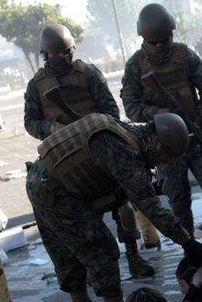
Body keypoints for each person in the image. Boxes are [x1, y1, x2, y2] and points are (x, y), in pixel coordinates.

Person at [26, 111, 202, 302]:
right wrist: (188, 243)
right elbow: (152, 209)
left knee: (71, 248)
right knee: (100, 249)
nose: (161, 163)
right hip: (56, 191)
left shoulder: (124, 132)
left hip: (42, 180)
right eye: (165, 157)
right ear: (158, 143)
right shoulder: (123, 149)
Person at [24, 24, 155, 279]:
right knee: (82, 218)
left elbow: (111, 112)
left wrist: (92, 127)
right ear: (44, 55)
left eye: (63, 53)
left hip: (98, 153)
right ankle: (98, 270)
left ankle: (133, 256)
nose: (59, 59)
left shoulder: (89, 75)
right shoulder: (36, 86)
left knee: (124, 208)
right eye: (53, 55)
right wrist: (51, 127)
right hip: (64, 160)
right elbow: (30, 122)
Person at [121, 3, 202, 259]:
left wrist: (198, 117)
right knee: (179, 202)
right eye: (156, 43)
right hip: (164, 146)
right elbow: (131, 107)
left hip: (196, 137)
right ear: (144, 39)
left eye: (166, 40)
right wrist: (158, 115)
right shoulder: (135, 66)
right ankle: (192, 255)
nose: (162, 46)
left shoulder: (185, 56)